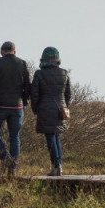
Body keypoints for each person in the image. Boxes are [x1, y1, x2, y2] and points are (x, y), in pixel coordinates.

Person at [0, 41, 30, 176]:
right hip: (17, 106)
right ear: (14, 51)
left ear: (1, 51)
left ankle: (6, 159)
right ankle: (13, 168)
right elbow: (28, 85)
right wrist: (24, 101)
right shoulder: (22, 63)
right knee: (14, 136)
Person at [30, 45, 71, 176]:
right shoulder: (64, 73)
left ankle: (56, 166)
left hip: (44, 108)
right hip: (60, 109)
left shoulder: (39, 74)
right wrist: (65, 107)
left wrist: (35, 108)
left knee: (50, 137)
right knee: (57, 137)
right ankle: (59, 165)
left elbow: (34, 94)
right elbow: (69, 94)